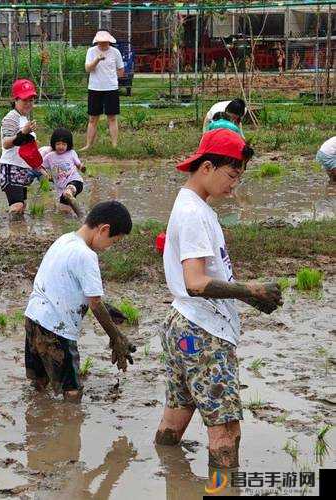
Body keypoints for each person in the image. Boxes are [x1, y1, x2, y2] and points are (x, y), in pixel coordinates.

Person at [154, 129, 283, 470]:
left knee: (176, 416)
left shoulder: (192, 204)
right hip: (204, 331)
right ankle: (225, 490)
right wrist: (249, 290)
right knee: (227, 432)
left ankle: (170, 478)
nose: (234, 185)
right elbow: (195, 282)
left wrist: (247, 298)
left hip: (181, 326)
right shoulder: (194, 213)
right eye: (232, 175)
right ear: (207, 167)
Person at [24, 200, 136, 402]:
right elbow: (95, 304)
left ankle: (35, 425)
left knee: (39, 383)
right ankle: (70, 427)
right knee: (72, 391)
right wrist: (117, 338)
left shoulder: (64, 240)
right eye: (115, 241)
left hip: (33, 319)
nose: (111, 247)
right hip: (57, 330)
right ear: (104, 229)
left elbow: (66, 287)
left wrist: (108, 309)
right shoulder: (86, 255)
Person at [0, 79, 39, 220]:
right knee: (17, 206)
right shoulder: (11, 117)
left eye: (31, 100)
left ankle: (18, 236)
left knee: (22, 207)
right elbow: (6, 143)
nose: (28, 103)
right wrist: (24, 133)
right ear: (15, 99)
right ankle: (10, 235)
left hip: (23, 168)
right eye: (25, 100)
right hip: (11, 167)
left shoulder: (24, 118)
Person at [82, 31, 125, 150]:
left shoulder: (115, 52)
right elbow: (87, 69)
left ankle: (115, 145)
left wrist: (111, 78)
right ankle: (88, 145)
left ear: (109, 41)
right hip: (95, 88)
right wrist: (97, 60)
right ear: (97, 42)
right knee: (93, 118)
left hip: (111, 88)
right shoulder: (91, 51)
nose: (103, 44)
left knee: (112, 117)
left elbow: (121, 71)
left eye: (105, 42)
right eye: (100, 42)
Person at [42, 127, 86, 218]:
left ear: (68, 144)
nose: (61, 146)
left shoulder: (71, 153)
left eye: (64, 144)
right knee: (64, 211)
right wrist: (45, 174)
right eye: (58, 144)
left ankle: (81, 215)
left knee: (68, 192)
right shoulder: (49, 156)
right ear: (53, 144)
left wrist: (82, 167)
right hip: (61, 187)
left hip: (75, 181)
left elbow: (78, 164)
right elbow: (39, 166)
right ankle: (79, 218)